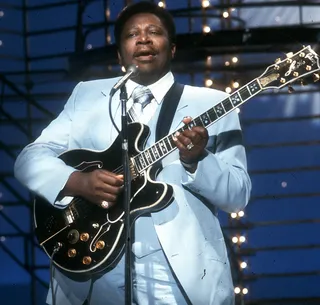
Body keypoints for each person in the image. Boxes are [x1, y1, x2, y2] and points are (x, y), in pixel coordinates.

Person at [14, 1, 251, 305]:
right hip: (91, 277)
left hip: (178, 280)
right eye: (132, 34)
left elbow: (238, 195)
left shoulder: (212, 104)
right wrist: (77, 181)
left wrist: (196, 161)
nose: (143, 39)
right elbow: (28, 159)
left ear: (172, 48)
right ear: (119, 52)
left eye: (154, 32)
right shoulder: (87, 95)